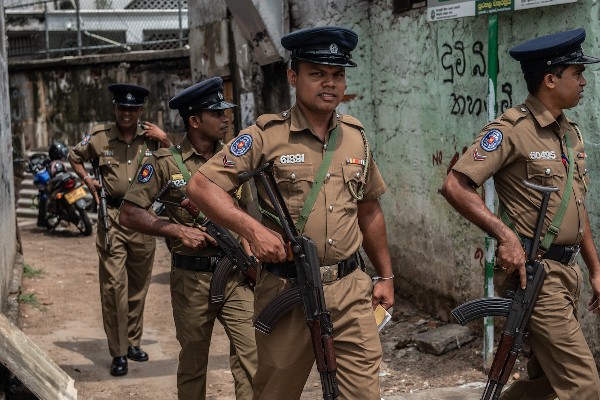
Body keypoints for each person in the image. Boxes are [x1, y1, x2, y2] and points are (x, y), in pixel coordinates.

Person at [185, 26, 395, 400]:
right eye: (317, 73)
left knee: (363, 394)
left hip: (350, 288)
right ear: (294, 77)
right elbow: (202, 186)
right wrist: (253, 231)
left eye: (338, 74)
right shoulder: (266, 135)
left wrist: (386, 275)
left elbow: (369, 208)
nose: (330, 83)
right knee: (276, 391)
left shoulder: (356, 135)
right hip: (287, 288)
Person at [441, 28, 600, 399]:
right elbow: (455, 185)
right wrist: (506, 235)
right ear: (549, 79)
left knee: (545, 382)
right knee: (584, 385)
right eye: (576, 73)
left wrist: (595, 269)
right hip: (535, 276)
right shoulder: (511, 130)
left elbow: (576, 207)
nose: (583, 81)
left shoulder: (570, 133)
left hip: (567, 274)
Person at [118, 77, 257, 400]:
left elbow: (246, 216)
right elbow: (129, 213)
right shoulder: (164, 163)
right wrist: (176, 229)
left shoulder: (234, 159)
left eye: (226, 113)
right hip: (192, 280)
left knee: (252, 357)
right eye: (217, 114)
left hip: (236, 274)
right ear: (194, 120)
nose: (226, 118)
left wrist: (253, 265)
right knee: (194, 362)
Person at [68, 83, 171, 376]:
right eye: (122, 107)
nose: (127, 113)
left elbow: (176, 163)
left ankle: (133, 342)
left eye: (133, 108)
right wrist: (87, 179)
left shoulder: (152, 138)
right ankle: (118, 351)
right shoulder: (100, 137)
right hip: (111, 217)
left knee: (139, 286)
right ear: (115, 108)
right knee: (114, 286)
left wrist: (164, 140)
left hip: (143, 218)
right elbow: (75, 157)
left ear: (141, 111)